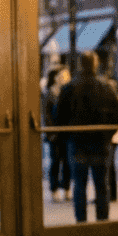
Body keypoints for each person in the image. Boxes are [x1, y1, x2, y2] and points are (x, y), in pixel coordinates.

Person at [54, 51, 118, 223]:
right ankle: (102, 219)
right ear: (95, 64)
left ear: (79, 64)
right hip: (100, 142)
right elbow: (117, 116)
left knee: (79, 185)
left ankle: (81, 222)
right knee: (102, 185)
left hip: (77, 142)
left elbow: (59, 117)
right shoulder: (106, 87)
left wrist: (68, 136)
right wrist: (107, 135)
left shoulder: (69, 88)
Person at [44, 67, 72, 203]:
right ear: (56, 78)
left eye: (67, 76)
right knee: (55, 162)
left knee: (67, 162)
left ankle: (66, 189)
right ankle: (54, 189)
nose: (65, 79)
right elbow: (47, 115)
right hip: (54, 135)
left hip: (67, 134)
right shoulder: (50, 93)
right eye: (62, 76)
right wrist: (52, 132)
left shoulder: (69, 92)